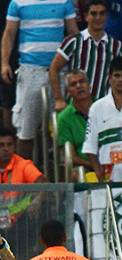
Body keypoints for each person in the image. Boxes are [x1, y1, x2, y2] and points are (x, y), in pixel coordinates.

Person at [1, 0, 78, 158]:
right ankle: (24, 178)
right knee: (25, 128)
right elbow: (9, 33)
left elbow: (73, 33)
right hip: (30, 70)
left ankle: (62, 178)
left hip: (59, 72)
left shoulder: (65, 2)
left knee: (61, 127)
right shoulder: (17, 2)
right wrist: (4, 63)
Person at [49, 0, 122, 110]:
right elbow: (54, 68)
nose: (98, 17)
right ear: (86, 16)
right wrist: (59, 99)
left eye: (102, 13)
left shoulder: (117, 47)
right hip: (76, 108)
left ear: (107, 16)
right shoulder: (73, 41)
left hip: (104, 108)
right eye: (94, 13)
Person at [56, 71, 95, 174]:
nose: (79, 86)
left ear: (89, 85)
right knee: (75, 173)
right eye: (73, 84)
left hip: (111, 162)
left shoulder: (104, 108)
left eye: (82, 82)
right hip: (85, 167)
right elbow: (71, 157)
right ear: (68, 91)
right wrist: (94, 165)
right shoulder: (63, 118)